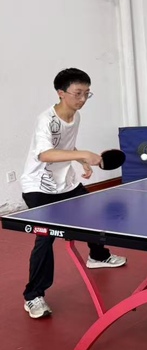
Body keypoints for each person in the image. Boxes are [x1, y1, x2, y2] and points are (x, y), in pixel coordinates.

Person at [19, 68, 127, 320]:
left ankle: (97, 256)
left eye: (87, 93)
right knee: (45, 238)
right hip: (38, 187)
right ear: (61, 93)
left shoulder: (75, 116)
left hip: (65, 183)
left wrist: (81, 161)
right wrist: (83, 154)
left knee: (92, 212)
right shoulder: (46, 120)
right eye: (78, 93)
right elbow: (45, 153)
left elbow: (65, 146)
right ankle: (33, 295)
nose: (82, 99)